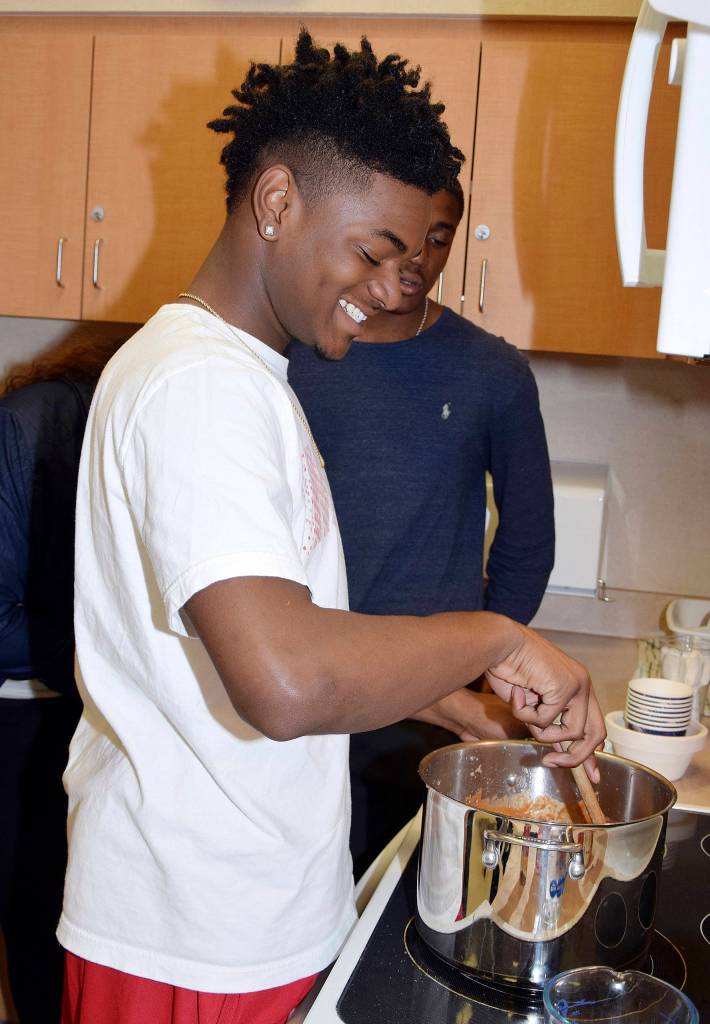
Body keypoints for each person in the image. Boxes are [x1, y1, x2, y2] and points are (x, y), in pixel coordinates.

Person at [58, 30, 605, 1024]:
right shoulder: (199, 387)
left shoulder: (248, 379)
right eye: (372, 251)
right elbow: (286, 678)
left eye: (412, 258)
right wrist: (497, 638)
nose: (394, 286)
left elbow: (278, 639)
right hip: (193, 933)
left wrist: (462, 709)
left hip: (245, 910)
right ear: (277, 203)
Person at [288, 180, 556, 876]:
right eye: (402, 235)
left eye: (440, 237)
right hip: (295, 690)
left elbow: (528, 541)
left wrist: (481, 662)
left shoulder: (493, 373)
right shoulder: (292, 354)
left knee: (399, 911)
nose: (417, 258)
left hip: (425, 718)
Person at [0, 331, 125, 1024]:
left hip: (80, 711)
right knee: (43, 930)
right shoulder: (35, 422)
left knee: (56, 929)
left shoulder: (90, 414)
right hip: (29, 716)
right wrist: (120, 655)